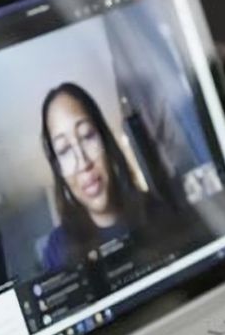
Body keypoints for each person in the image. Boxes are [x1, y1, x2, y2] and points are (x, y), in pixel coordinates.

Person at [35, 82, 150, 272]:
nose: (83, 162)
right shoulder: (57, 249)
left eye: (87, 136)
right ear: (59, 171)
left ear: (106, 140)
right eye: (64, 150)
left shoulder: (155, 208)